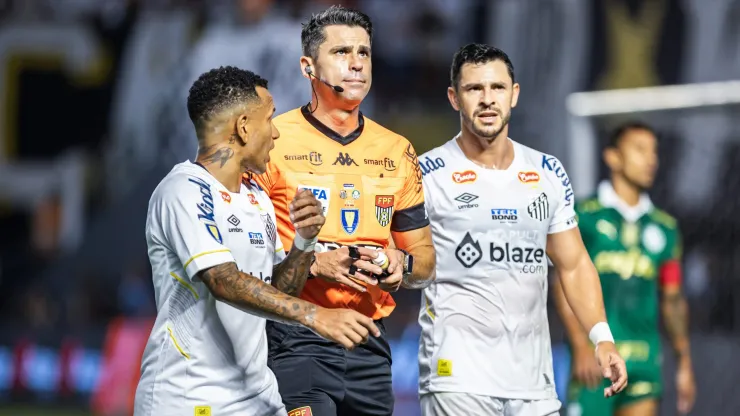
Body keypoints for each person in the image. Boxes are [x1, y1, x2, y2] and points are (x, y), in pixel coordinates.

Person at [134, 66, 379, 416]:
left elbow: (278, 289)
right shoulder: (183, 190)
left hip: (257, 397)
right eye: (270, 119)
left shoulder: (255, 197)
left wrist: (305, 244)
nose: (276, 133)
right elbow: (223, 281)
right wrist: (315, 316)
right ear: (243, 126)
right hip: (191, 399)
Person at [416, 43, 628, 416]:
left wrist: (602, 338)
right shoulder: (426, 173)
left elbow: (574, 264)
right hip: (457, 377)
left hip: (534, 382)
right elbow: (404, 261)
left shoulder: (547, 172)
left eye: (497, 88)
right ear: (454, 97)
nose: (487, 99)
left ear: (514, 94)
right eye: (473, 89)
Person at [249, 6, 436, 416]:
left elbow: (425, 260)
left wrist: (398, 263)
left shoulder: (397, 150)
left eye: (364, 53)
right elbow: (240, 261)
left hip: (369, 343)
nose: (356, 64)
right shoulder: (272, 143)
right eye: (341, 52)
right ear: (307, 66)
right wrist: (314, 264)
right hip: (294, 338)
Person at [554, 122, 696, 416]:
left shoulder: (665, 229)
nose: (651, 159)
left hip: (644, 363)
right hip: (596, 361)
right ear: (613, 157)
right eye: (640, 150)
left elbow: (672, 299)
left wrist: (684, 363)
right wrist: (580, 344)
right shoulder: (584, 216)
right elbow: (562, 281)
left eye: (654, 151)